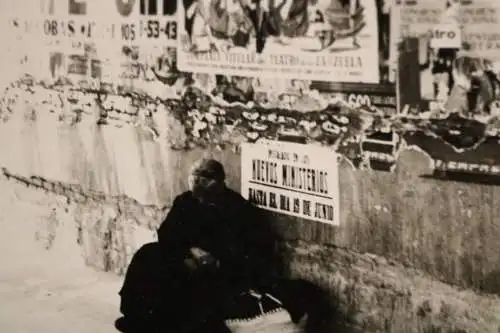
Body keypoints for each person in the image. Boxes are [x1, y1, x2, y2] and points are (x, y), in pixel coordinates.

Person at [116, 158, 282, 333]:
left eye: (203, 183)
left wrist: (216, 261)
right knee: (148, 254)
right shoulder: (185, 201)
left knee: (186, 281)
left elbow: (249, 250)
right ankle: (138, 316)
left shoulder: (237, 208)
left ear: (218, 183)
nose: (198, 192)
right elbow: (167, 234)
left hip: (220, 266)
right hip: (186, 256)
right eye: (194, 181)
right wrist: (188, 253)